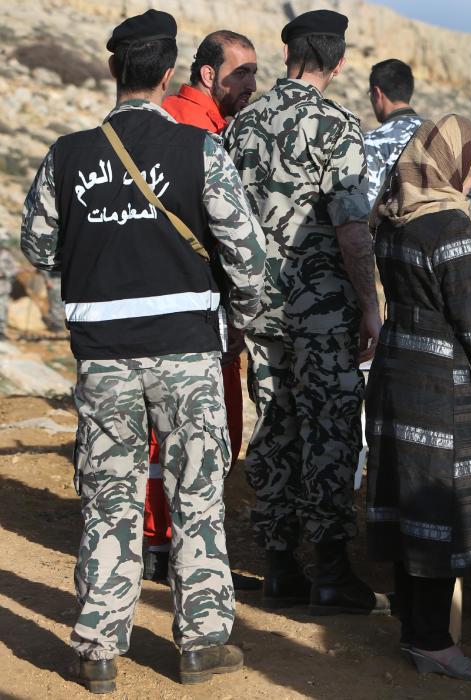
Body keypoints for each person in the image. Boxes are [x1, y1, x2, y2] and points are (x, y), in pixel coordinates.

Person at [19, 9, 266, 692]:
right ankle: (200, 643)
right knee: (196, 496)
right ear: (167, 74)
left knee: (110, 498)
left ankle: (98, 649)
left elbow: (38, 248)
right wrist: (240, 317)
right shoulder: (198, 150)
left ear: (111, 70)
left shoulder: (67, 154)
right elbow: (248, 257)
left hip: (103, 358)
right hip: (187, 355)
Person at [223, 9, 388, 615]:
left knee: (274, 428)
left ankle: (278, 564)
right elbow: (351, 231)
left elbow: (225, 222)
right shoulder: (339, 125)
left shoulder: (241, 126)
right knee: (331, 431)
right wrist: (370, 307)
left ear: (288, 54)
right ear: (339, 63)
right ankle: (329, 569)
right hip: (323, 314)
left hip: (260, 311)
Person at [366, 113, 471, 681]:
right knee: (438, 506)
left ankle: (410, 625)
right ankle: (432, 640)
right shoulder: (451, 230)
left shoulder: (394, 217)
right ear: (456, 167)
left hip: (397, 370)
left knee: (407, 497)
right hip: (439, 386)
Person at [142, 29, 260, 592]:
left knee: (165, 437)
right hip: (197, 316)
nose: (251, 86)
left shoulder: (172, 123)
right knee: (202, 438)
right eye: (242, 74)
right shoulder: (194, 136)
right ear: (208, 76)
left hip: (163, 312)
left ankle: (156, 544)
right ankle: (180, 552)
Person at [363, 58, 471, 208]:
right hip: (446, 226)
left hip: (397, 229)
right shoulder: (441, 136)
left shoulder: (373, 142)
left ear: (377, 93)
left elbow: (365, 204)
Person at [0, 247, 18, 340]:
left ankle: (1, 332)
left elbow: (15, 269)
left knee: (2, 310)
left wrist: (4, 273)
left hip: (3, 288)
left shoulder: (7, 256)